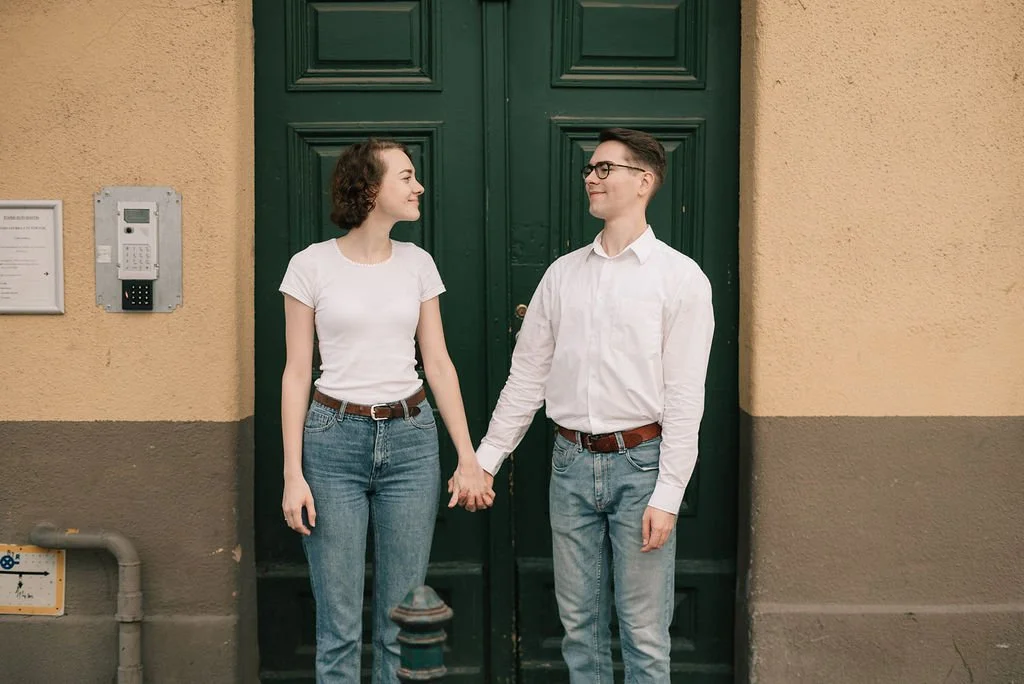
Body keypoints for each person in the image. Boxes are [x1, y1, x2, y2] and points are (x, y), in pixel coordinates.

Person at [473, 128, 715, 682]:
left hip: (642, 466)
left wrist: (670, 494)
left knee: (645, 630)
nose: (590, 177)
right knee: (579, 626)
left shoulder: (680, 279)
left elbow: (684, 397)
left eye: (605, 168)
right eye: (590, 168)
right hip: (570, 465)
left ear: (644, 181)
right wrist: (486, 460)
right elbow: (526, 378)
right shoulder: (562, 275)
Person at [278, 138, 493, 683]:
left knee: (405, 618)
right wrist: (292, 474)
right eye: (406, 176)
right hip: (332, 439)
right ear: (370, 188)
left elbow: (438, 363)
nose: (418, 186)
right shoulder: (311, 265)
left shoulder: (418, 263)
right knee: (338, 625)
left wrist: (468, 456)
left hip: (410, 439)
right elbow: (297, 372)